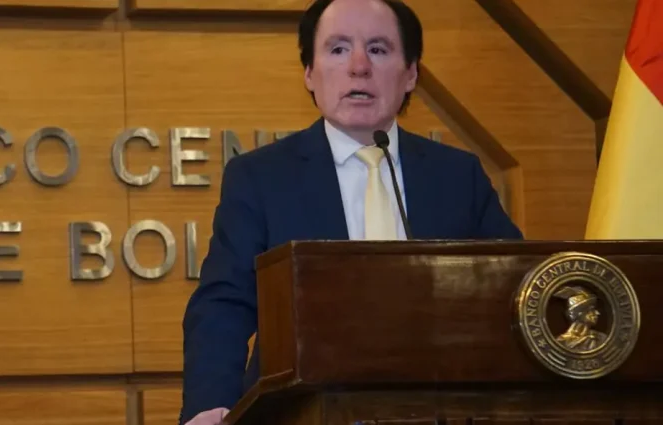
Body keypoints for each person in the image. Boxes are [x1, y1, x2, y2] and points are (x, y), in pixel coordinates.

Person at [179, 0, 524, 424]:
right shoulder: (260, 177)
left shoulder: (457, 176)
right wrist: (211, 407)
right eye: (338, 49)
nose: (359, 67)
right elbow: (223, 305)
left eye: (378, 49)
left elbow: (513, 290)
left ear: (411, 73)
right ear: (309, 72)